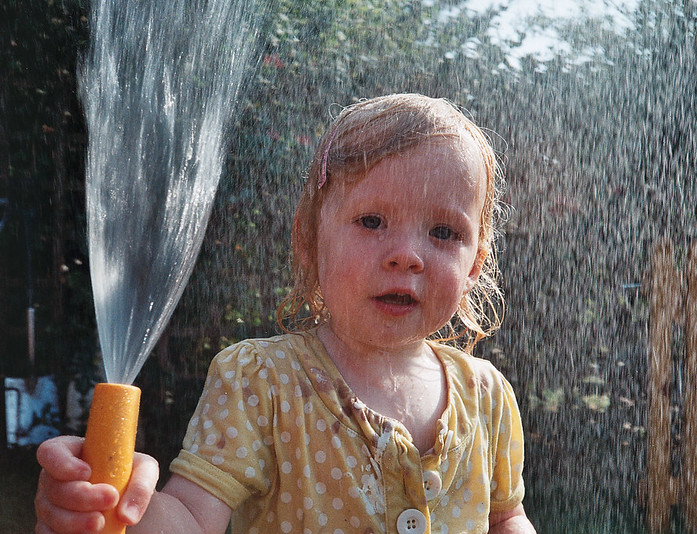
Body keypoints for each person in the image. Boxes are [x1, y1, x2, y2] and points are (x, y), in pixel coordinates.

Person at [35, 93, 537, 534]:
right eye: (372, 221)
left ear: (477, 261)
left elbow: (505, 518)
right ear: (309, 239)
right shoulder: (262, 384)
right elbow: (190, 520)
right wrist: (117, 499)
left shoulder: (486, 396)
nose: (406, 254)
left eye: (444, 233)